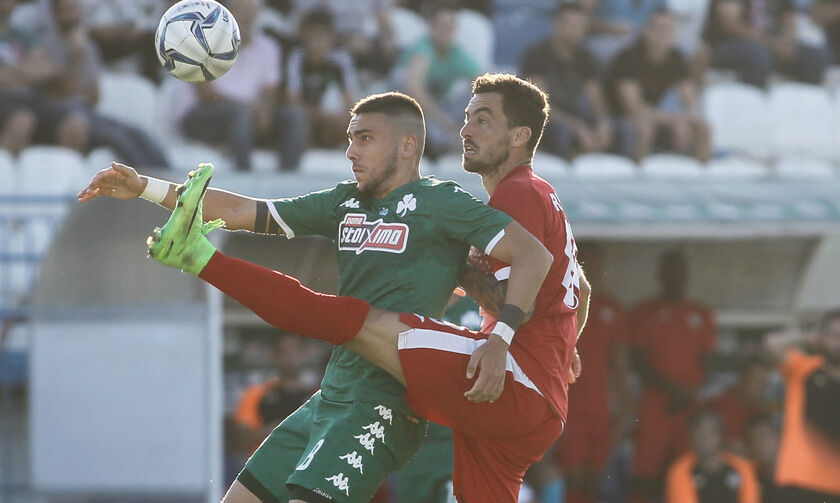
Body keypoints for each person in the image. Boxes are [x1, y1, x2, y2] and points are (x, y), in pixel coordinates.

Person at [78, 90, 554, 503]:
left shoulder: (442, 202)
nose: (351, 151)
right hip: (330, 396)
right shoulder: (344, 202)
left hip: (384, 405)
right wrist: (144, 187)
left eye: (364, 138)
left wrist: (506, 338)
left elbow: (534, 257)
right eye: (350, 138)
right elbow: (245, 210)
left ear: (408, 145)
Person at [33, 0, 169, 168]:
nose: (70, 16)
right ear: (55, 15)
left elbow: (94, 95)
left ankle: (168, 176)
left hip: (86, 110)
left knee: (136, 133)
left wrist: (75, 89)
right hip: (62, 114)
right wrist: (77, 55)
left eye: (73, 10)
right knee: (117, 138)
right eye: (65, 11)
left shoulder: (88, 46)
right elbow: (61, 93)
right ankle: (148, 178)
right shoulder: (45, 45)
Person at [628, 248, 717, 503]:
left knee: (689, 471)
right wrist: (673, 390)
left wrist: (690, 392)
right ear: (660, 275)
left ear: (687, 275)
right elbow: (639, 361)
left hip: (689, 407)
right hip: (656, 406)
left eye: (680, 271)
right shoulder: (644, 312)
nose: (675, 276)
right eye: (670, 271)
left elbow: (708, 360)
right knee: (644, 475)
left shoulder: (701, 314)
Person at [180, 0, 307, 172]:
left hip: (249, 116)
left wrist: (265, 108)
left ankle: (289, 184)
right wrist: (248, 107)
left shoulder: (269, 47)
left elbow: (270, 91)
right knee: (240, 114)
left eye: (250, 11)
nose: (245, 17)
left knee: (295, 116)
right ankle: (244, 179)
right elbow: (205, 93)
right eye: (240, 11)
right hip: (204, 115)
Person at [556, 243, 630, 503]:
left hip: (600, 407)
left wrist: (624, 409)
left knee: (598, 476)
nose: (592, 269)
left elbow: (620, 365)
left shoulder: (612, 309)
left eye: (597, 262)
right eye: (587, 262)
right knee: (573, 475)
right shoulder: (561, 303)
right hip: (568, 403)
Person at [605, 8, 710, 162]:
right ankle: (637, 176)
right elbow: (633, 107)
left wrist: (686, 119)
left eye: (666, 29)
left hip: (658, 116)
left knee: (703, 127)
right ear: (645, 30)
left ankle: (700, 177)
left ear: (674, 35)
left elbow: (690, 99)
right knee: (645, 129)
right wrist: (673, 120)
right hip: (621, 119)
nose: (661, 34)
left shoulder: (677, 58)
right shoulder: (628, 58)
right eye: (656, 28)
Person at [519, 3, 612, 159]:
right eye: (568, 24)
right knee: (564, 134)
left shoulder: (586, 57)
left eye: (578, 25)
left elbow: (595, 98)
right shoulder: (537, 56)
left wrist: (604, 122)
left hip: (576, 117)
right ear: (556, 24)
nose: (573, 30)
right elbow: (539, 104)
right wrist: (577, 127)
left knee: (613, 130)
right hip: (543, 120)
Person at [765, 310, 840, 502]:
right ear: (821, 338)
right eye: (833, 335)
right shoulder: (803, 368)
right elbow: (772, 344)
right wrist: (809, 336)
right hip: (798, 481)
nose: (838, 342)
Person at [397, 3, 481, 158]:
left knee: (479, 92)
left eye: (451, 26)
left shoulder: (456, 54)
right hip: (409, 112)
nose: (447, 31)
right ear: (431, 26)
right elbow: (414, 91)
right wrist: (445, 122)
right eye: (443, 26)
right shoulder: (422, 51)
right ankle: (441, 142)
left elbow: (483, 81)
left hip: (439, 109)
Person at [702, 0, 830, 88]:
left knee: (814, 56)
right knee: (757, 57)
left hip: (771, 46)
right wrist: (771, 44)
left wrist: (787, 41)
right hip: (729, 45)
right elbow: (730, 25)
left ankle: (804, 110)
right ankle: (752, 108)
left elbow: (789, 17)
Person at [286, 7, 359, 149]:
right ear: (304, 36)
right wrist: (320, 116)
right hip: (308, 117)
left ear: (332, 37)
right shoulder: (296, 58)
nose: (317, 43)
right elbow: (292, 100)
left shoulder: (341, 60)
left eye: (322, 37)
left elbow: (351, 102)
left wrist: (337, 118)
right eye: (313, 36)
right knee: (297, 120)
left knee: (349, 123)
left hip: (330, 118)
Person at [664, 409, 761, 503]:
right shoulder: (679, 470)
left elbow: (750, 499)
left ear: (721, 434)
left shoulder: (742, 467)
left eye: (711, 431)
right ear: (690, 438)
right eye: (699, 433)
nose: (705, 438)